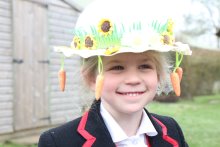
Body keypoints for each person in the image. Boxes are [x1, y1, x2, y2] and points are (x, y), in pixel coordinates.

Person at [38, 0, 192, 146]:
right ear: (91, 78)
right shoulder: (58, 142)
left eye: (145, 66)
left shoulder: (172, 130)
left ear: (158, 75)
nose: (133, 79)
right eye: (117, 68)